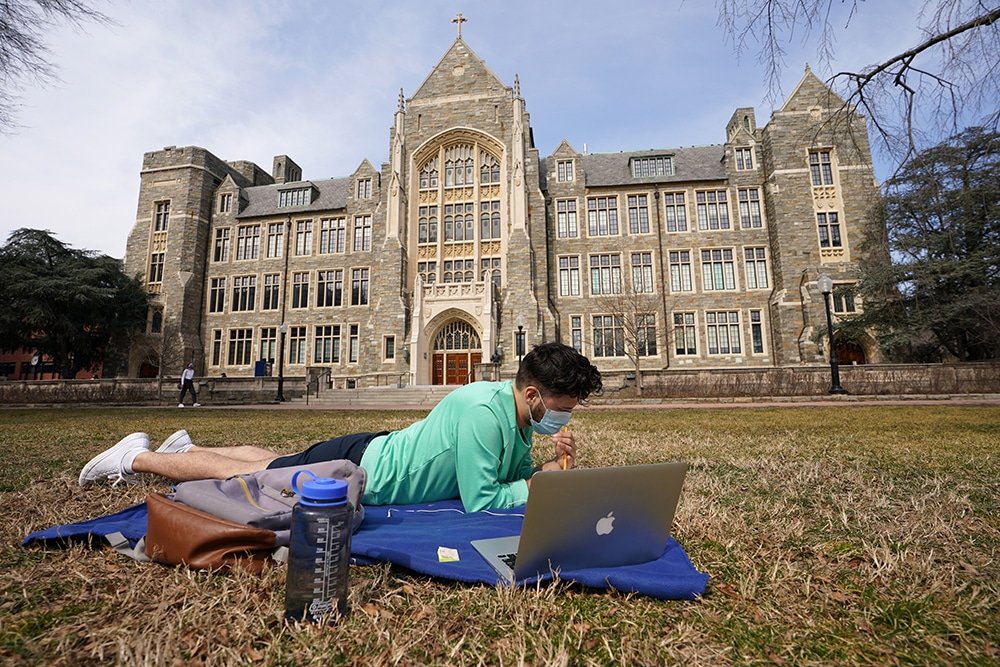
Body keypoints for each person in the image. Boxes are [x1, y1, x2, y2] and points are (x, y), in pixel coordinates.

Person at [79, 342, 602, 512]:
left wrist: (550, 463)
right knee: (257, 476)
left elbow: (503, 471)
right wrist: (540, 485)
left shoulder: (507, 410)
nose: (568, 413)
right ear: (533, 394)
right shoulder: (485, 413)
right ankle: (135, 458)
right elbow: (483, 499)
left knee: (273, 457)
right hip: (361, 470)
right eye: (566, 404)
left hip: (370, 450)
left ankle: (185, 444)